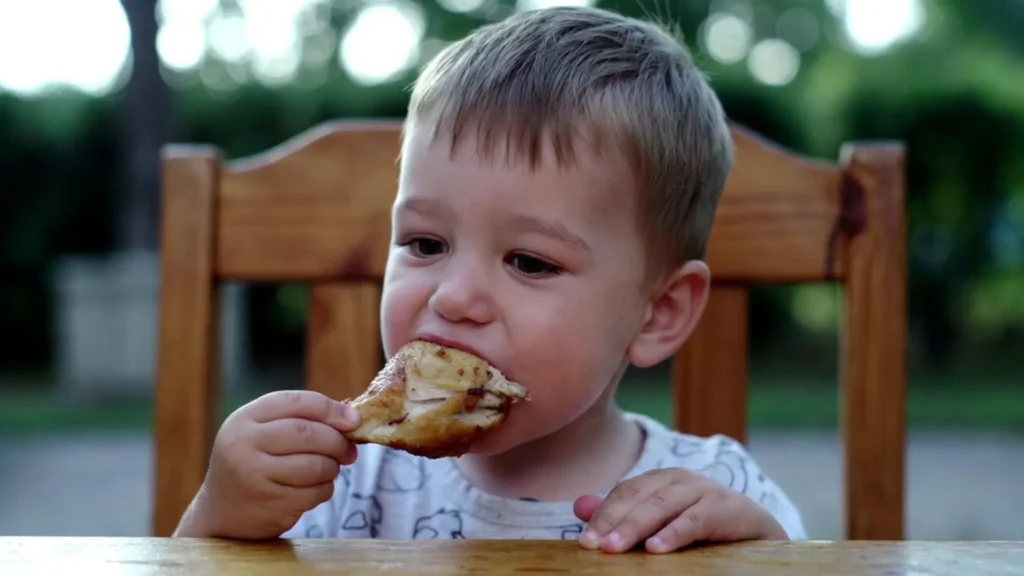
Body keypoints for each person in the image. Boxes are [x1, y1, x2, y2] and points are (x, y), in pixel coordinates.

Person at [172, 5, 807, 553]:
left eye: (529, 262)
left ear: (658, 313)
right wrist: (219, 521)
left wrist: (759, 557)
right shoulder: (334, 484)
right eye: (425, 243)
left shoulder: (713, 494)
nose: (453, 297)